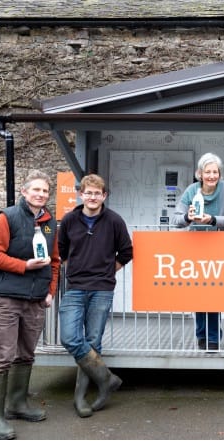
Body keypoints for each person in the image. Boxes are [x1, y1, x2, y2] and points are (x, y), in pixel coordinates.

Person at [0, 169, 61, 440]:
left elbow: (56, 260)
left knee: (26, 354)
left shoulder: (50, 223)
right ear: (24, 192)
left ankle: (17, 404)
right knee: (2, 357)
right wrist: (23, 266)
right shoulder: (9, 217)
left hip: (36, 300)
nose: (40, 194)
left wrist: (50, 291)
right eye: (36, 189)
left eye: (45, 191)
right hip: (7, 298)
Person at [58, 174, 133, 417]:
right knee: (70, 337)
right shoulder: (69, 220)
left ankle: (80, 399)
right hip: (75, 287)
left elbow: (126, 252)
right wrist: (76, 269)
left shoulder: (114, 221)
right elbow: (61, 251)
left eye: (97, 193)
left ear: (104, 196)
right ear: (81, 194)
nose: (92, 197)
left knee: (93, 341)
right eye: (88, 193)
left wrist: (106, 271)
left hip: (102, 289)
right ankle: (106, 378)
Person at [172, 152, 224, 350]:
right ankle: (201, 335)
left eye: (215, 172)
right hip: (196, 248)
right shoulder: (192, 190)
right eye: (207, 172)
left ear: (220, 174)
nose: (211, 176)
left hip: (219, 247)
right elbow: (176, 219)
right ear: (199, 174)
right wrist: (188, 217)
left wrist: (212, 220)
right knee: (198, 293)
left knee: (214, 293)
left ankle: (213, 338)